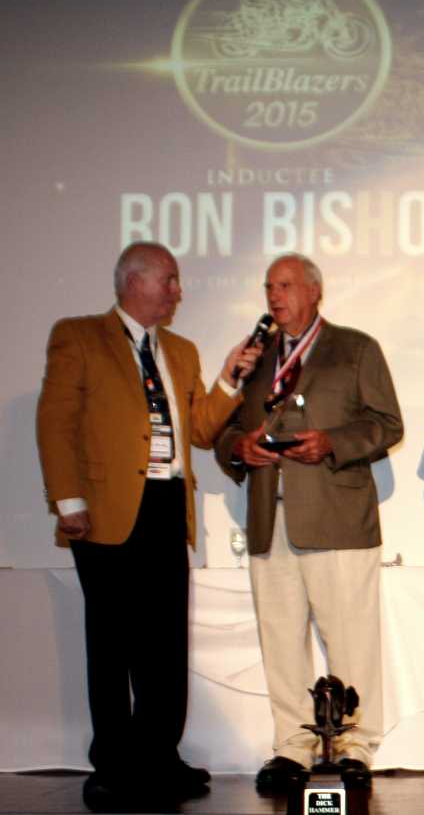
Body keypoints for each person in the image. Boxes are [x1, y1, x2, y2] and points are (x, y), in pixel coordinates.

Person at [35, 241, 260, 812]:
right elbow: (56, 422)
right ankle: (113, 764)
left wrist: (229, 380)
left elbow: (202, 431)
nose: (178, 291)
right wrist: (67, 500)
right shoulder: (79, 336)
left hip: (165, 507)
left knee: (164, 642)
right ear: (134, 281)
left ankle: (159, 755)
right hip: (104, 509)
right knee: (112, 642)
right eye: (171, 280)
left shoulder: (181, 350)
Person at [213, 254, 403, 792]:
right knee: (279, 640)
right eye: (269, 287)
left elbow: (388, 424)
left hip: (337, 519)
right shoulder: (253, 359)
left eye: (286, 285)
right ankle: (292, 746)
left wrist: (331, 442)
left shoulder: (355, 348)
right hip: (268, 519)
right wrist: (239, 448)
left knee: (351, 639)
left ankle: (356, 746)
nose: (275, 296)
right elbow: (222, 431)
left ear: (315, 291)